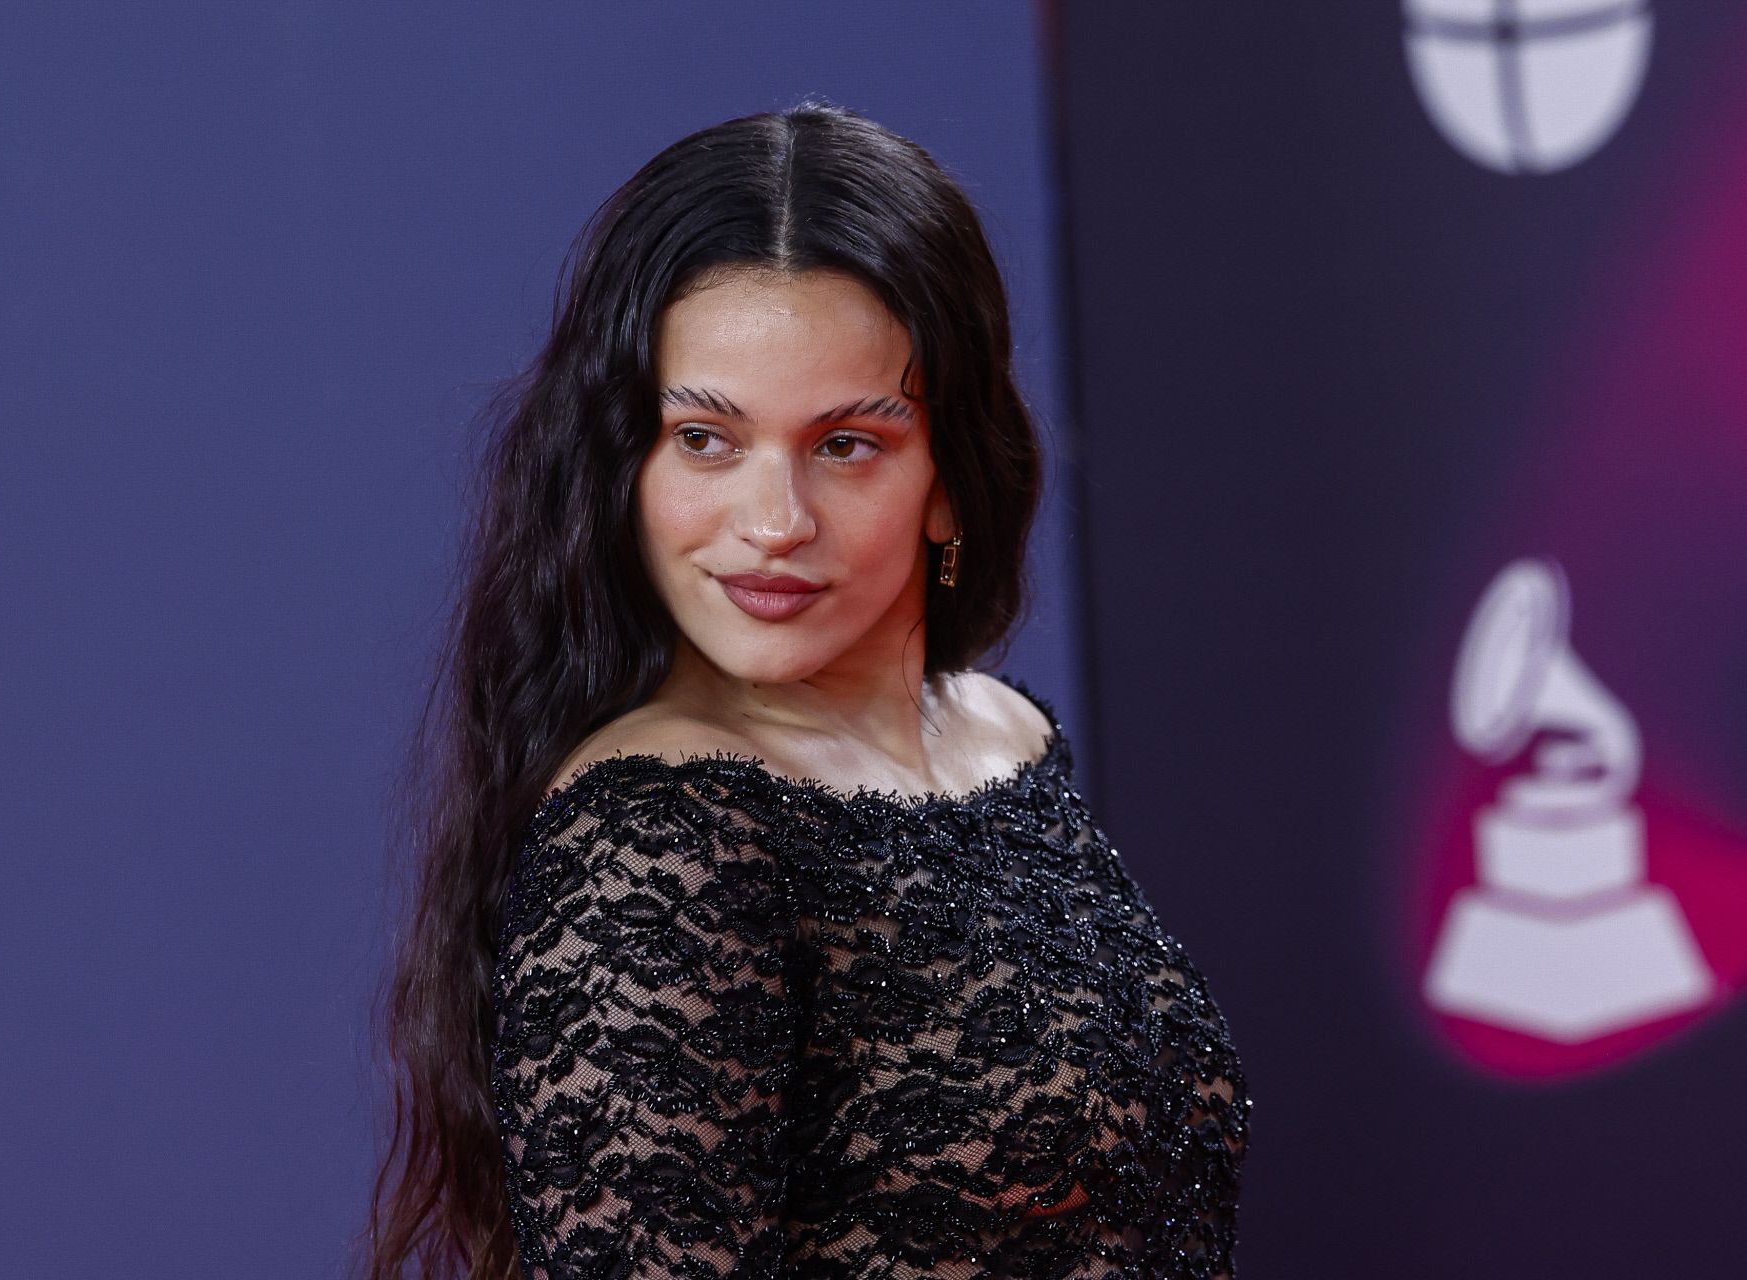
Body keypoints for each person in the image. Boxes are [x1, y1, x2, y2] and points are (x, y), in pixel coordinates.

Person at [357, 100, 1250, 1280]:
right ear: (625, 463)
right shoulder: (657, 833)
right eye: (706, 440)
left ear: (949, 476)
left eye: (846, 444)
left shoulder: (1006, 735)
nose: (773, 525)